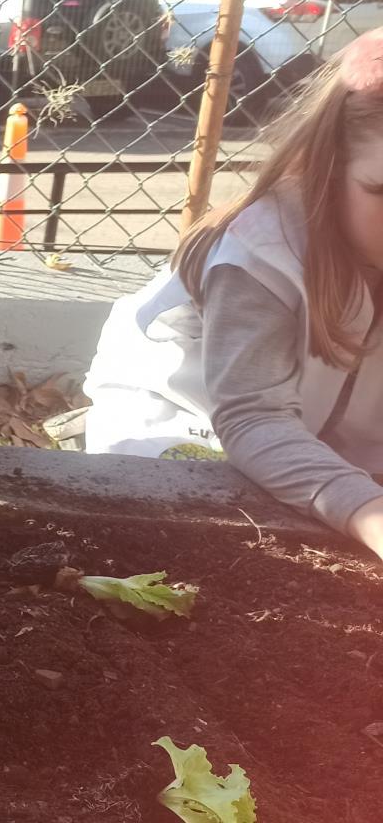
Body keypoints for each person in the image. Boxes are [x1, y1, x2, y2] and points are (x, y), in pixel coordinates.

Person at [85, 29, 383, 560]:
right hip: (189, 420)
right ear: (330, 164)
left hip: (324, 432)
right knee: (199, 538)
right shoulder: (263, 250)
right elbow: (253, 417)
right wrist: (369, 515)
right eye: (382, 192)